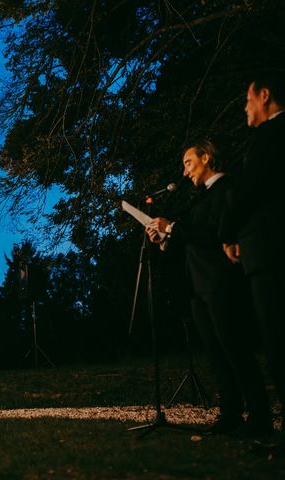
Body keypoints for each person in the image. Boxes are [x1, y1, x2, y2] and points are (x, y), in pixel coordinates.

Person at [146, 140, 272, 436]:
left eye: (189, 162)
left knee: (235, 350)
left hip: (221, 283)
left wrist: (172, 227)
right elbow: (190, 238)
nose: (185, 171)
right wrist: (164, 239)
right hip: (198, 286)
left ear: (207, 158)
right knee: (215, 354)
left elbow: (215, 234)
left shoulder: (227, 189)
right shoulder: (199, 198)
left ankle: (259, 417)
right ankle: (230, 413)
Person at [221, 72, 285, 448]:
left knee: (276, 339)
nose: (245, 107)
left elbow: (248, 190)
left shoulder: (269, 137)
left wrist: (229, 233)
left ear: (265, 96)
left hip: (270, 249)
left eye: (247, 100)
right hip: (268, 247)